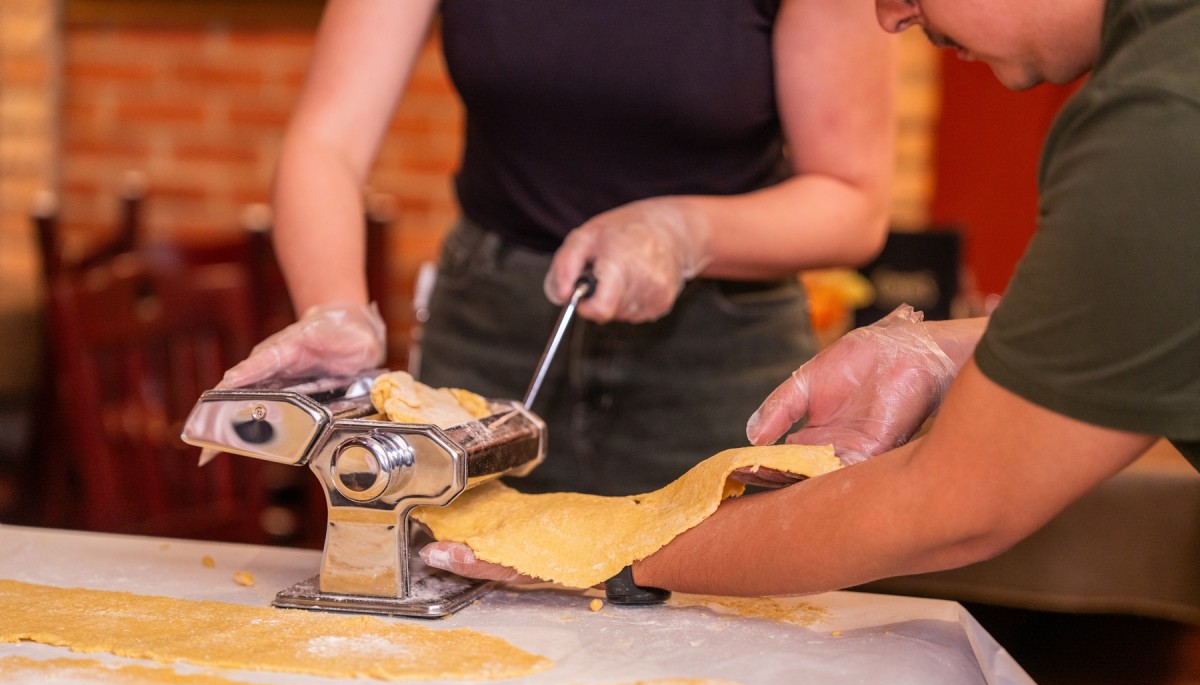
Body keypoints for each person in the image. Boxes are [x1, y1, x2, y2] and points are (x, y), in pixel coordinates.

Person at [421, 0, 1200, 593]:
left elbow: (955, 507)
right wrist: (945, 348)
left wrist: (585, 546)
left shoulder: (1161, 121)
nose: (890, 13)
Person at [215, 0, 896, 495]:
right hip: (488, 334)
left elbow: (852, 200)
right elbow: (325, 144)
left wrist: (684, 232)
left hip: (720, 355)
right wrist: (334, 306)